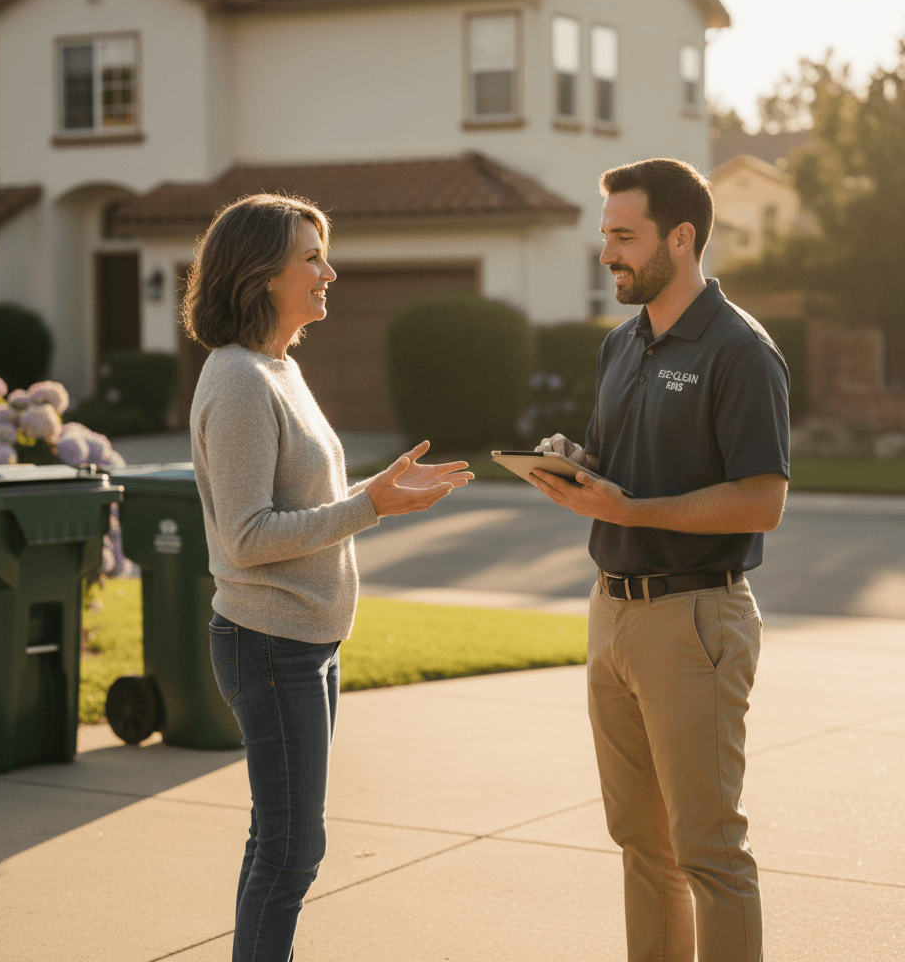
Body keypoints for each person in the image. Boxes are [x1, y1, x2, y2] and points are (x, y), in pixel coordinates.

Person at [183, 193, 472, 962]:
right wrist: (368, 507)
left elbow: (299, 506)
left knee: (280, 844)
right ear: (260, 272)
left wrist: (376, 496)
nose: (329, 271)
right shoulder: (242, 380)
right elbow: (247, 538)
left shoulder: (280, 368)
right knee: (290, 851)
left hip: (304, 643)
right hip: (270, 645)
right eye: (311, 256)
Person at [530, 158, 789, 962]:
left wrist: (634, 510)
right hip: (612, 614)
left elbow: (762, 500)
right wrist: (575, 463)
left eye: (622, 236)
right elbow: (619, 463)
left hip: (695, 620)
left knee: (708, 851)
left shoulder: (741, 351)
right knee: (640, 841)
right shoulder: (620, 345)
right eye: (605, 235)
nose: (607, 252)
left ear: (681, 239)